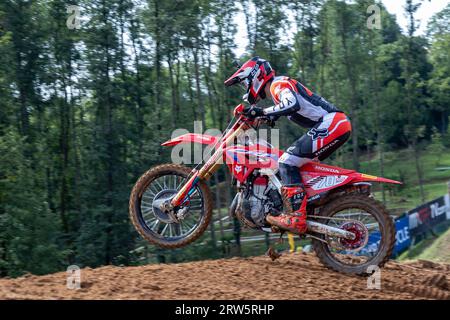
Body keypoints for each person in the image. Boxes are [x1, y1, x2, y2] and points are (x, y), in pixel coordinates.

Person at [224, 56, 352, 234]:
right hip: (335, 124)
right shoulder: (279, 90)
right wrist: (264, 116)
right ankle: (307, 208)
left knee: (286, 162)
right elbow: (288, 106)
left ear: (255, 77)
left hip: (332, 123)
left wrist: (261, 111)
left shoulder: (278, 84)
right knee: (297, 166)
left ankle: (296, 217)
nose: (245, 89)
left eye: (245, 83)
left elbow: (292, 104)